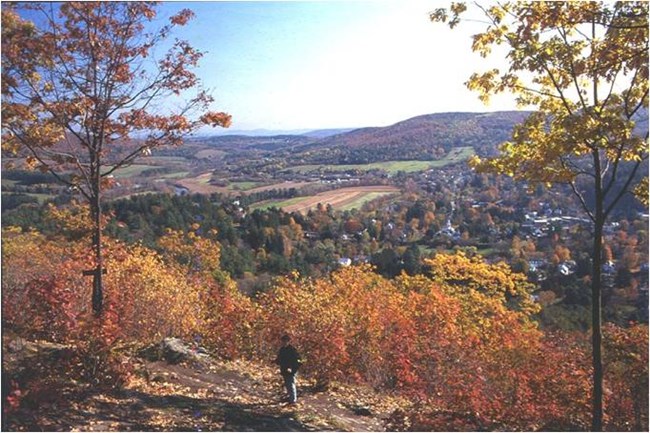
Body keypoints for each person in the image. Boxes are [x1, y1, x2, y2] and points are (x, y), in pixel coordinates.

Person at [274, 334, 302, 404]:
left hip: (291, 370)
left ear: (288, 341)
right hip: (284, 369)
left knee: (291, 384)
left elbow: (297, 360)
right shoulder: (282, 350)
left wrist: (292, 368)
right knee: (287, 384)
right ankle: (290, 398)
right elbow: (280, 359)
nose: (284, 342)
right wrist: (274, 361)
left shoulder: (292, 350)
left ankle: (293, 400)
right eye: (283, 341)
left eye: (286, 341)